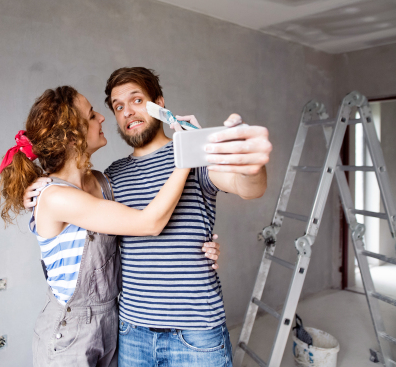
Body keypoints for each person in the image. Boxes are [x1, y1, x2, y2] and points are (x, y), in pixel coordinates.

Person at [24, 67, 272, 367]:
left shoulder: (195, 157)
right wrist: (41, 186)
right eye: (117, 107)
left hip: (195, 331)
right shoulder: (111, 177)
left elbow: (248, 188)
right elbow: (90, 209)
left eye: (137, 100)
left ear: (160, 104)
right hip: (131, 333)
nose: (126, 112)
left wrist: (251, 165)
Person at [0, 85, 220, 367]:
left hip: (111, 323)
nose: (102, 118)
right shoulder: (55, 196)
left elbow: (147, 213)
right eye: (91, 115)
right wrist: (186, 156)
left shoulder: (103, 182)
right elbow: (149, 222)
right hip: (69, 335)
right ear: (71, 136)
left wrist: (198, 244)